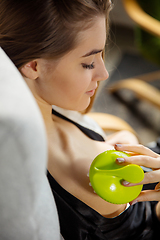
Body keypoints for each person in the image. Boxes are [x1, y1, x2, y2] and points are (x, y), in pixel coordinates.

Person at [0, 0, 159, 239]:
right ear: (33, 66)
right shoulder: (84, 177)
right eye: (88, 63)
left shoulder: (50, 114)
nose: (104, 73)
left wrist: (121, 140)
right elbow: (144, 226)